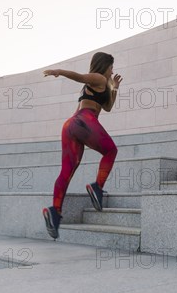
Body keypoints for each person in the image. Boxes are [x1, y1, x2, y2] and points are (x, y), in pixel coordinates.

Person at [41, 52, 122, 239]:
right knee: (111, 151)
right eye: (111, 66)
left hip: (71, 125)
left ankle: (55, 211)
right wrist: (59, 71)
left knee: (66, 172)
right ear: (104, 66)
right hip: (84, 121)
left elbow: (108, 107)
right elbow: (80, 77)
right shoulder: (97, 77)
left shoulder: (102, 83)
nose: (113, 70)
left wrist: (115, 88)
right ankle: (97, 187)